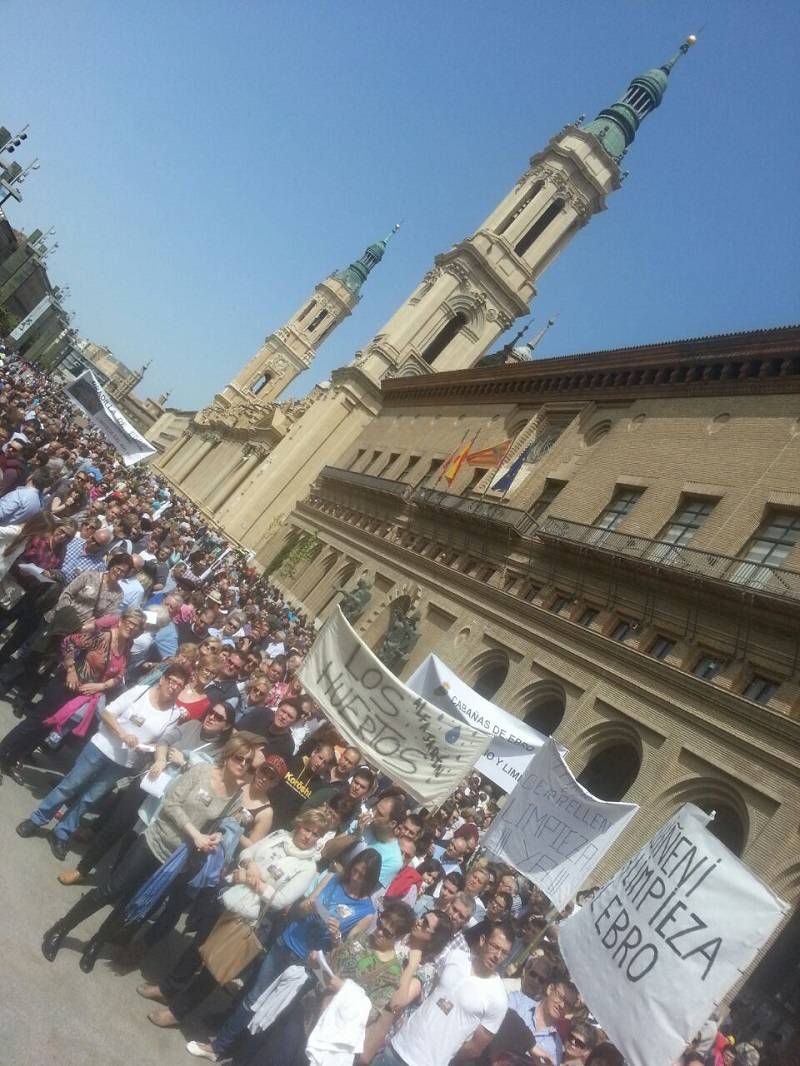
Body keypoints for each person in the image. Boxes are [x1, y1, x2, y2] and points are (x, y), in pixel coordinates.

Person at [38, 733, 259, 972]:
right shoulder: (202, 772)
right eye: (240, 758)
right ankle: (61, 928)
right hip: (153, 842)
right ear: (228, 756)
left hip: (174, 862)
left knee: (130, 904)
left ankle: (96, 943)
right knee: (110, 890)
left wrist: (218, 836)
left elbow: (226, 826)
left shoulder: (235, 797)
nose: (243, 765)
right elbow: (171, 804)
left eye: (249, 763)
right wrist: (195, 833)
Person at [139, 806, 335, 1030]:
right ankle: (167, 989)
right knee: (197, 946)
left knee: (214, 966)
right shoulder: (279, 836)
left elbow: (281, 900)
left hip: (249, 918)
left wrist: (253, 881)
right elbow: (247, 853)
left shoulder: (308, 867)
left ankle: (177, 1011)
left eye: (316, 834)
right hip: (229, 897)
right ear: (299, 824)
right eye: (307, 829)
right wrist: (250, 865)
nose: (308, 836)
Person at [15, 662, 191, 859]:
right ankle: (37, 819)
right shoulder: (141, 692)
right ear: (162, 679)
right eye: (171, 680)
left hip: (125, 763)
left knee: (90, 798)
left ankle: (62, 832)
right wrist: (123, 734)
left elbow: (161, 742)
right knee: (70, 785)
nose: (173, 686)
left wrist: (155, 754)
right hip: (101, 747)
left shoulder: (174, 714)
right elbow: (107, 713)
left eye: (179, 684)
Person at [55, 699, 238, 887]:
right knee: (117, 823)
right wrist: (160, 760)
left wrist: (185, 763)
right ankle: (82, 870)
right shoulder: (192, 725)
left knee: (136, 838)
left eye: (219, 717)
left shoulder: (221, 753)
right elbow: (164, 741)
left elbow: (207, 778)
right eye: (211, 712)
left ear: (227, 726)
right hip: (153, 779)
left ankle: (114, 883)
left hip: (173, 797)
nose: (211, 717)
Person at [0, 608, 145, 782]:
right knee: (35, 722)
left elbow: (120, 674)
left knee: (46, 727)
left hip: (82, 696)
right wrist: (70, 670)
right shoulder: (103, 636)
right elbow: (68, 642)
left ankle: (10, 759)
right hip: (66, 685)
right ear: (121, 621)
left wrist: (101, 685)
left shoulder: (126, 646)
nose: (131, 627)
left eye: (136, 626)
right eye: (129, 622)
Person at [374, 919, 514, 1066]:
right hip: (398, 1046)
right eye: (494, 946)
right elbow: (432, 993)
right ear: (482, 940)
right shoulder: (456, 957)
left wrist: (444, 1053)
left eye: (504, 953)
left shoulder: (498, 998)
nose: (497, 955)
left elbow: (475, 1048)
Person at [322, 790, 407, 889]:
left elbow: (365, 891)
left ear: (392, 824)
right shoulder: (362, 826)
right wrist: (355, 836)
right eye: (375, 807)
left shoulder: (393, 860)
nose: (373, 813)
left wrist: (342, 872)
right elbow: (326, 851)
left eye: (379, 814)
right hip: (320, 881)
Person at [238, 694, 301, 761]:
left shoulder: (287, 745)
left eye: (290, 716)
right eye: (283, 711)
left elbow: (256, 762)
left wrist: (244, 738)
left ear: (294, 722)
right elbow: (234, 731)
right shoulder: (262, 713)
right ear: (277, 709)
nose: (284, 717)